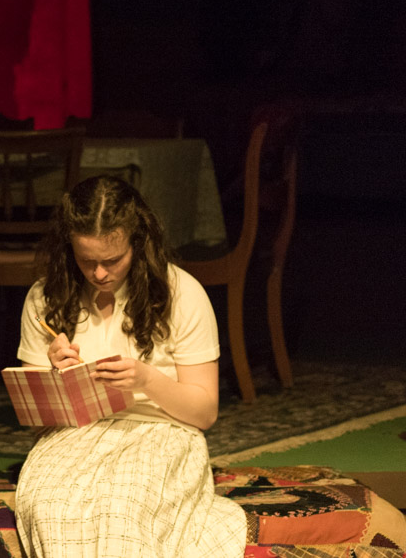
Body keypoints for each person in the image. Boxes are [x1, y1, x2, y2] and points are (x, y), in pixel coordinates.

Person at [13, 175, 246, 558]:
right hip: (74, 435)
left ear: (138, 244)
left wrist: (146, 378)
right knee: (51, 508)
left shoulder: (181, 293)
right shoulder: (46, 295)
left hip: (159, 432)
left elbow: (204, 413)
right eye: (86, 260)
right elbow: (36, 421)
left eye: (112, 260)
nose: (99, 273)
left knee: (121, 508)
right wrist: (55, 378)